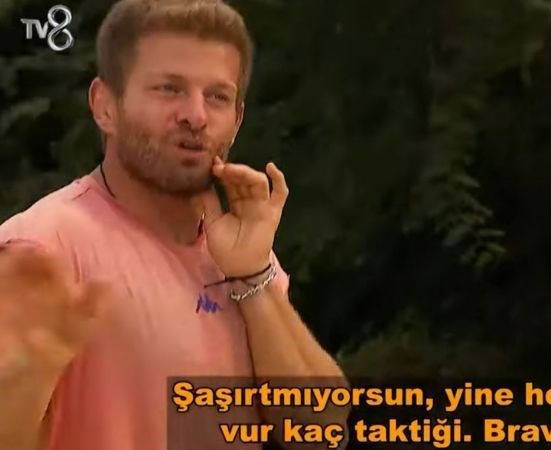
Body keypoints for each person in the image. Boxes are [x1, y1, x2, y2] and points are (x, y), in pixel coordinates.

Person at [0, 1, 348, 449]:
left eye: (217, 97)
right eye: (169, 89)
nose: (196, 116)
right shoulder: (42, 249)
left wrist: (254, 275)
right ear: (105, 106)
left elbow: (323, 433)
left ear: (237, 119)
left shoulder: (235, 251)